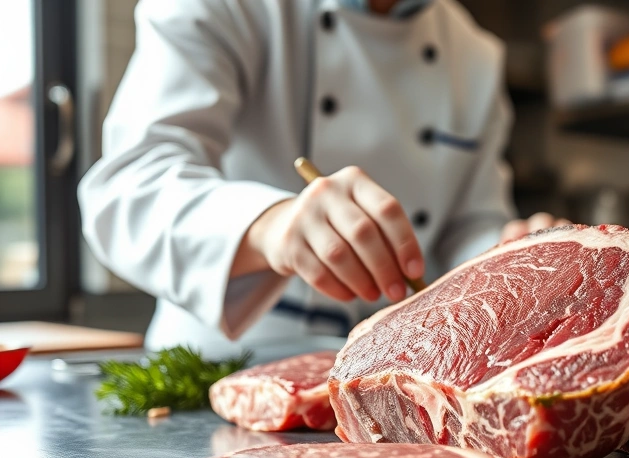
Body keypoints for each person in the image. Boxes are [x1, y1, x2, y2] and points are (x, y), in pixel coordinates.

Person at [79, 0, 566, 357]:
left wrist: (508, 250)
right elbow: (128, 188)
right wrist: (273, 226)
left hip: (395, 374)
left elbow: (469, 223)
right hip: (222, 372)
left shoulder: (474, 54)